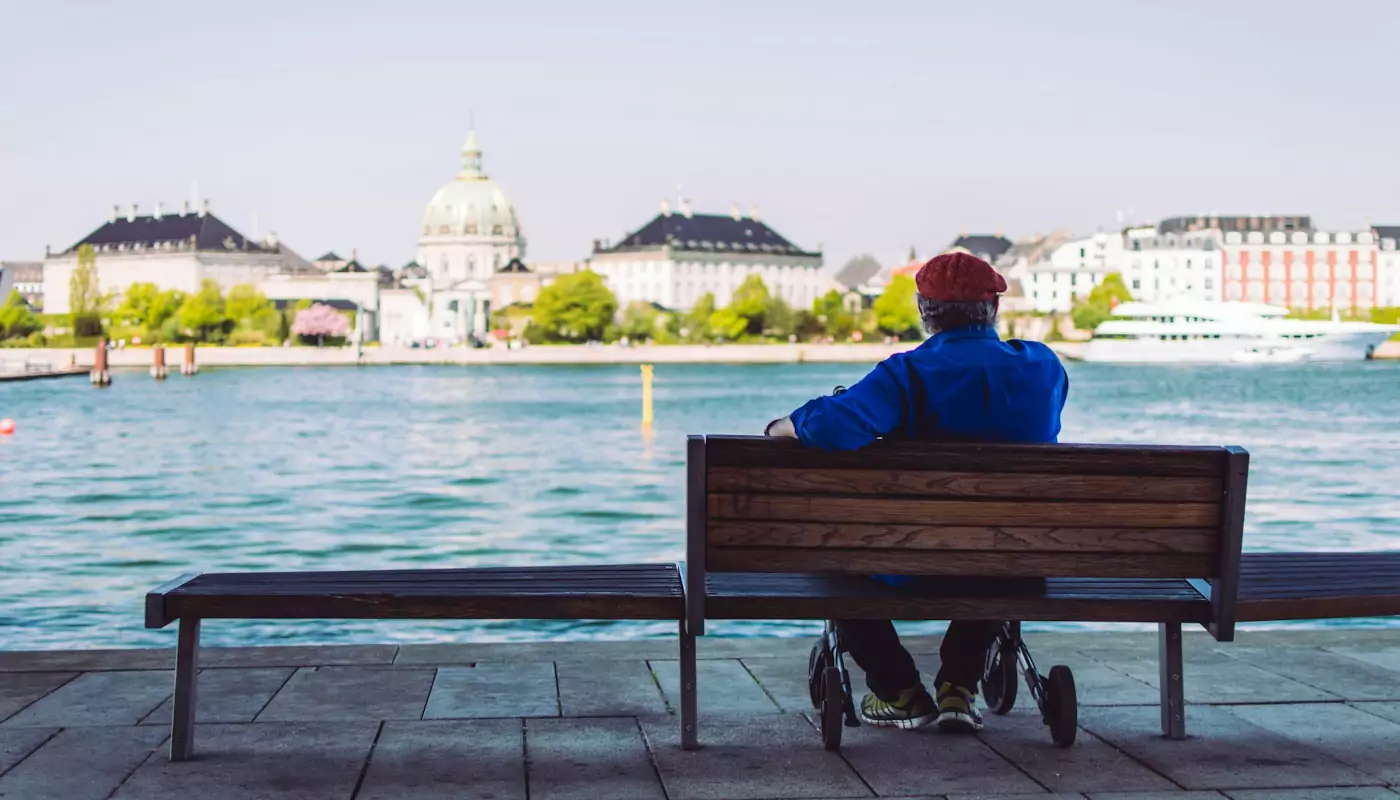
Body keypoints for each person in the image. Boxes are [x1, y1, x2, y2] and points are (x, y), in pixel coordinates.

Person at [764, 251, 1069, 734]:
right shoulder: (1043, 367)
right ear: (992, 308)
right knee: (1000, 552)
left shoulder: (905, 375)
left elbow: (833, 428)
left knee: (833, 558)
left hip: (911, 561)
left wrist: (782, 425)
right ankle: (958, 687)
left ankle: (898, 691)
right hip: (1013, 560)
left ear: (925, 311)